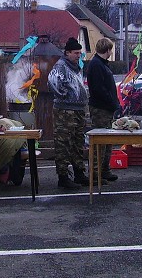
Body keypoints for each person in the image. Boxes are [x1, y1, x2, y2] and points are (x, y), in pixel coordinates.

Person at [48, 37, 89, 189]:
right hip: (65, 111)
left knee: (78, 142)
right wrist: (65, 95)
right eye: (76, 53)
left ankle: (79, 173)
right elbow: (52, 82)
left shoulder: (77, 66)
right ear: (67, 53)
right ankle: (63, 176)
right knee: (63, 143)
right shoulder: (61, 66)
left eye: (80, 53)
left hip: (78, 110)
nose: (79, 55)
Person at [86, 38, 121, 183]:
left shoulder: (101, 64)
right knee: (100, 141)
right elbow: (98, 89)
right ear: (107, 50)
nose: (111, 52)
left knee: (107, 141)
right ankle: (95, 172)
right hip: (101, 108)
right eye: (110, 50)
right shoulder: (96, 65)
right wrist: (112, 102)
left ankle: (104, 169)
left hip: (106, 108)